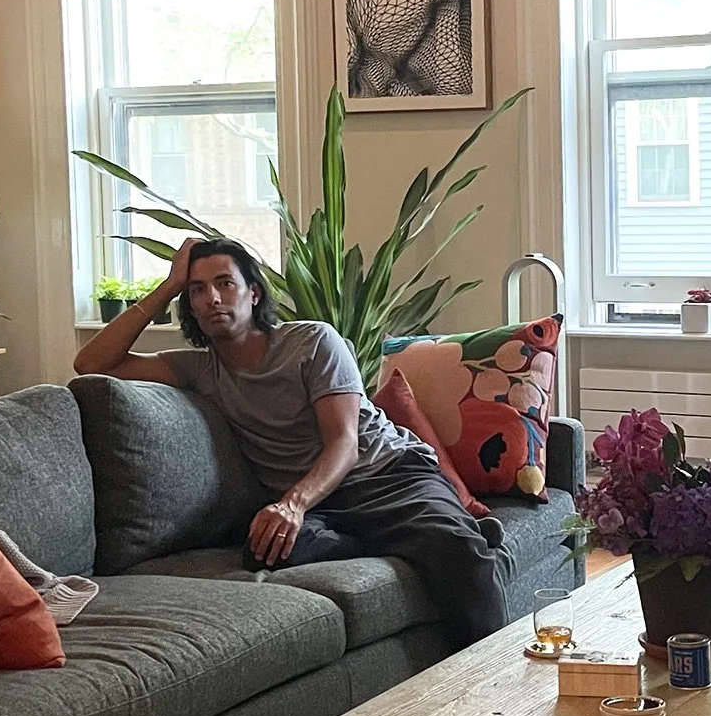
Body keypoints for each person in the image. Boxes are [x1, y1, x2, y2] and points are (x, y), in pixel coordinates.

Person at [73, 237, 512, 639]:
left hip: (386, 477)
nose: (212, 298)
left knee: (459, 557)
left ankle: (494, 692)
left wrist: (292, 504)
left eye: (225, 283)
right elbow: (91, 362)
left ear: (254, 293)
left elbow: (344, 443)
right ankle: (413, 535)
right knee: (262, 551)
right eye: (197, 290)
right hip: (325, 510)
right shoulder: (199, 370)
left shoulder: (312, 342)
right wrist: (168, 285)